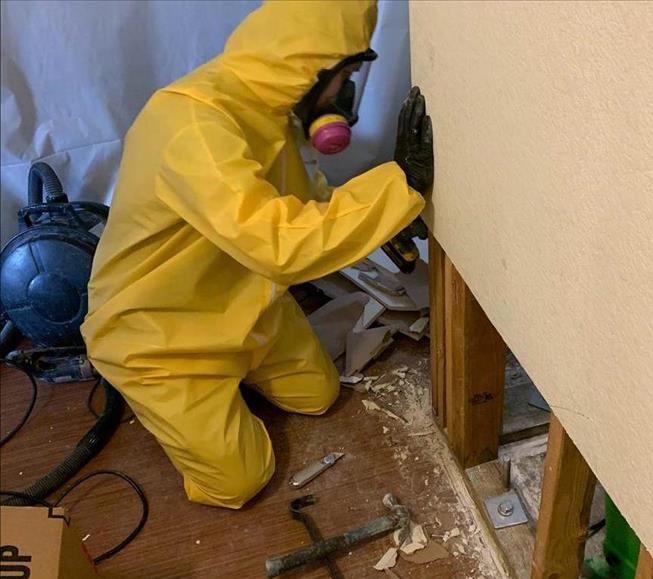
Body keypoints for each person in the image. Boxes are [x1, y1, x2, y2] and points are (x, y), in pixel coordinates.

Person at [82, 0, 433, 509]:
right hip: (159, 334)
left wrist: (389, 219)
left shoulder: (266, 113)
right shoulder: (194, 126)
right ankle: (181, 401)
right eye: (347, 75)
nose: (349, 95)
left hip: (243, 305)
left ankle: (227, 389)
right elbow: (280, 245)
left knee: (319, 395)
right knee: (238, 480)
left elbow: (306, 205)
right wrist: (397, 188)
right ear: (311, 66)